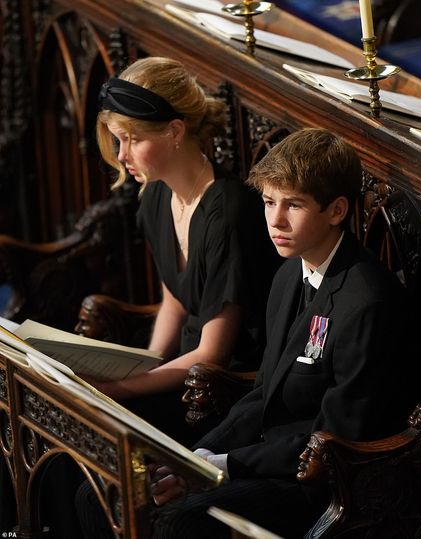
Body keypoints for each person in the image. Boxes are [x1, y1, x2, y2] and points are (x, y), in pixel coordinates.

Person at [143, 128, 416, 538]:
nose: (275, 220)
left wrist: (224, 466)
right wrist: (198, 456)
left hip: (321, 480)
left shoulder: (367, 302)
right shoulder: (288, 274)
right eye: (269, 202)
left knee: (181, 518)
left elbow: (335, 437)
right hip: (269, 458)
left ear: (336, 210)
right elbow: (263, 392)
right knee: (131, 492)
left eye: (294, 205)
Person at [84, 57, 279, 443]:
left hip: (221, 393)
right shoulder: (155, 195)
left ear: (175, 131)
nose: (122, 156)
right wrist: (145, 364)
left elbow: (213, 355)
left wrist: (122, 390)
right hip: (179, 372)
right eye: (119, 140)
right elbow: (174, 300)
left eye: (134, 139)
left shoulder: (228, 213)